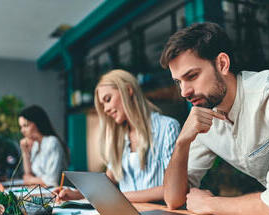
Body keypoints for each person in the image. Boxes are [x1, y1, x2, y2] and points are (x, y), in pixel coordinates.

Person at [160, 22, 269, 215]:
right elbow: (173, 200)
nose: (184, 92)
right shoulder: (206, 118)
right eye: (179, 81)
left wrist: (209, 203)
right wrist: (182, 143)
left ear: (222, 64)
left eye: (192, 76)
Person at [54, 69, 180, 203]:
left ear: (128, 90)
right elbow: (107, 182)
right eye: (102, 105)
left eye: (108, 99)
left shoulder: (168, 127)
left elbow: (172, 188)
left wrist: (119, 197)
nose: (106, 109)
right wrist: (76, 194)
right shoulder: (120, 137)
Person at [18, 105, 69, 187]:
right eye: (21, 127)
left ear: (37, 123)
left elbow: (52, 181)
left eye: (26, 125)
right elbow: (28, 174)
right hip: (42, 191)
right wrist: (25, 152)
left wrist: (30, 180)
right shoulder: (36, 144)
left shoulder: (52, 142)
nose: (22, 131)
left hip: (58, 193)